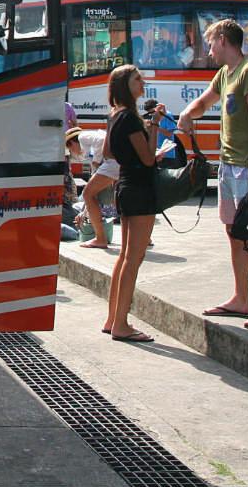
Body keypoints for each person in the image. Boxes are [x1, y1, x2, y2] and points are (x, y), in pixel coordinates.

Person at [177, 18, 248, 331]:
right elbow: (204, 101)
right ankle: (241, 298)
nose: (208, 51)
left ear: (223, 39)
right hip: (228, 164)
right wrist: (185, 114)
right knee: (235, 232)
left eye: (210, 43)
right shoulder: (224, 75)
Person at [103, 64, 161, 342]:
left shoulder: (114, 116)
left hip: (125, 186)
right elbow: (149, 158)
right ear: (126, 85)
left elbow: (107, 152)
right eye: (137, 79)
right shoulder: (129, 118)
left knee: (125, 256)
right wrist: (155, 129)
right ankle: (121, 324)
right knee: (133, 258)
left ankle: (113, 318)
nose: (143, 82)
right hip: (139, 189)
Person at [74, 126, 120, 249]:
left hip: (113, 162)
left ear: (71, 142)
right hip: (118, 161)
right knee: (120, 198)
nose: (74, 153)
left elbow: (102, 141)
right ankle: (146, 238)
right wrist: (84, 212)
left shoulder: (82, 137)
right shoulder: (87, 149)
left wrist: (96, 160)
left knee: (88, 194)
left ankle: (100, 238)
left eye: (70, 148)